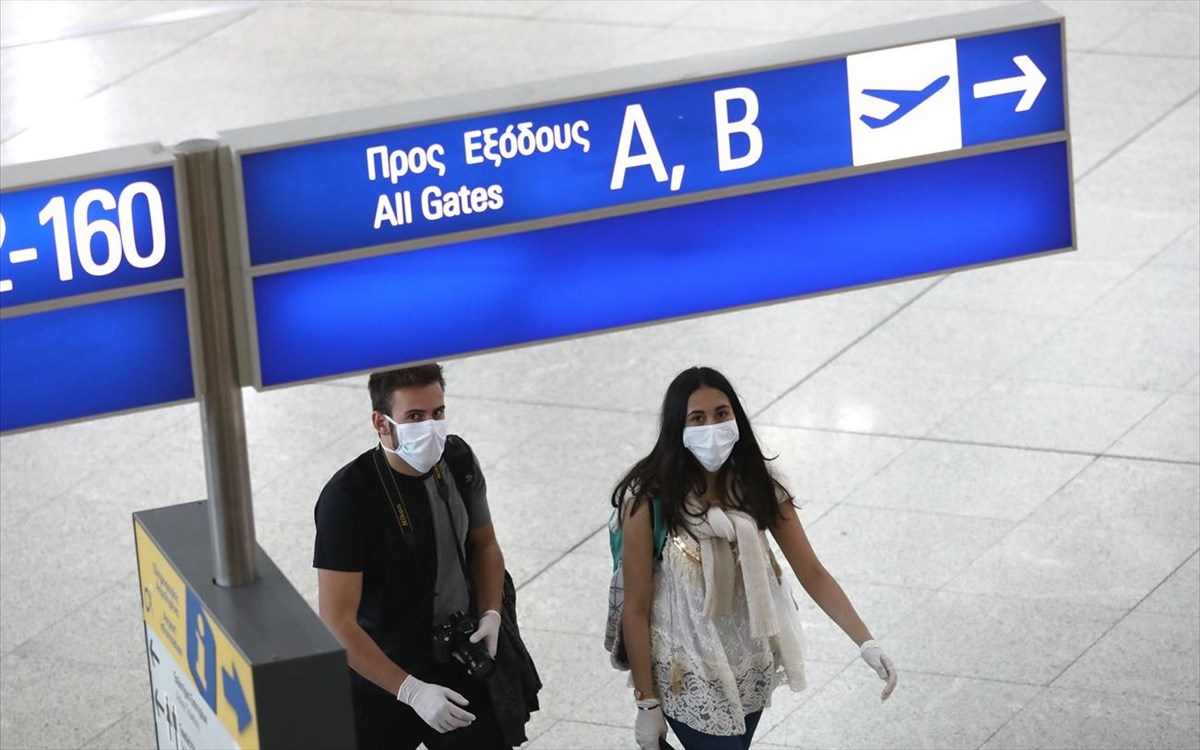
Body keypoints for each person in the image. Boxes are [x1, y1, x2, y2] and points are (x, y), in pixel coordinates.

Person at [614, 366, 898, 750]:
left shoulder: (757, 485)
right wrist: (646, 702)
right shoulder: (649, 502)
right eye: (697, 418)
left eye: (721, 413)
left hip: (748, 664)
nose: (712, 427)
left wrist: (866, 643)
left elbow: (812, 571)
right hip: (686, 672)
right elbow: (636, 608)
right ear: (676, 428)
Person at [314, 363, 516, 750]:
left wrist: (491, 612)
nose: (431, 427)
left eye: (438, 413)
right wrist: (411, 691)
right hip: (380, 675)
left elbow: (485, 545)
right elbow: (337, 621)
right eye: (415, 417)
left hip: (457, 658)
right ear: (382, 423)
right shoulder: (348, 498)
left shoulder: (458, 461)